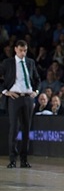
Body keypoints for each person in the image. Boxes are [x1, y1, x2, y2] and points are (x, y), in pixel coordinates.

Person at [2, 40, 40, 168]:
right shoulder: (8, 63)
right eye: (21, 50)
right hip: (15, 97)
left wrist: (36, 91)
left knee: (26, 129)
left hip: (28, 97)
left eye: (25, 50)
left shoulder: (30, 62)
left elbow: (37, 79)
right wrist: (5, 92)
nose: (23, 53)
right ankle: (12, 159)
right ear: (15, 49)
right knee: (14, 128)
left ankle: (24, 159)